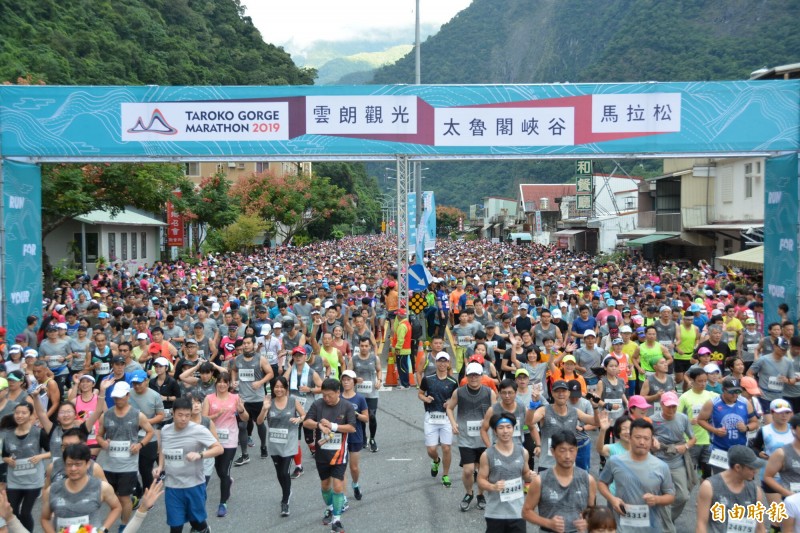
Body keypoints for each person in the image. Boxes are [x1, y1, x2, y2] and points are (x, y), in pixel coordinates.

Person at [154, 397, 223, 533]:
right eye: (180, 415)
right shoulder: (165, 430)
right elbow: (163, 448)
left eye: (187, 415)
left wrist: (200, 455)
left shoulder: (199, 430)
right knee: (175, 527)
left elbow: (219, 448)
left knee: (197, 523)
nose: (184, 419)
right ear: (173, 413)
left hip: (194, 485)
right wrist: (160, 466)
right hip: (173, 487)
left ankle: (204, 529)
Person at [598, 418, 676, 532]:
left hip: (651, 527)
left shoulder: (661, 466)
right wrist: (612, 499)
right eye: (638, 437)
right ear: (630, 438)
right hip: (622, 527)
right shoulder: (615, 461)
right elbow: (601, 483)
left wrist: (657, 499)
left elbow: (670, 496)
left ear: (651, 440)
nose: (642, 442)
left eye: (646, 438)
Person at [96, 381, 154, 533]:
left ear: (128, 396)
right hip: (109, 465)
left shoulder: (137, 415)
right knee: (112, 497)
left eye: (121, 397)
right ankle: (131, 503)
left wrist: (140, 445)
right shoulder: (106, 414)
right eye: (115, 397)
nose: (117, 400)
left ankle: (124, 525)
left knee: (123, 498)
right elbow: (99, 435)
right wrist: (102, 443)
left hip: (128, 465)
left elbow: (150, 432)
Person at [302, 378, 357, 533]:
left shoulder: (346, 406)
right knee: (325, 486)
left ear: (338, 392)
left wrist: (333, 426)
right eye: (324, 395)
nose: (326, 399)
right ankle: (330, 508)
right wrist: (319, 425)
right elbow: (306, 422)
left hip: (339, 454)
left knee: (338, 486)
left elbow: (352, 428)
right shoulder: (318, 404)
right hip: (322, 455)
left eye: (330, 396)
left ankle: (337, 520)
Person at [522, 429, 596, 533]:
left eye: (571, 450)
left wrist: (588, 521)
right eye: (562, 450)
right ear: (553, 451)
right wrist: (548, 523)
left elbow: (592, 510)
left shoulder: (588, 480)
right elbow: (526, 512)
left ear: (577, 450)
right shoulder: (540, 481)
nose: (567, 456)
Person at [446, 361, 496, 512]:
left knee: (483, 470)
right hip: (465, 438)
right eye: (471, 375)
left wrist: (487, 420)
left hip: (484, 437)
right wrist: (453, 423)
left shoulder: (489, 392)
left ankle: (480, 495)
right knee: (468, 470)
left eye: (476, 375)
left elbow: (496, 411)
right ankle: (469, 493)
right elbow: (449, 407)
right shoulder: (459, 392)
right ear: (466, 376)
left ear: (482, 376)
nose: (474, 378)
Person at [40, 442, 121, 533]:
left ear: (87, 464)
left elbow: (116, 507)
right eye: (69, 464)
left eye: (78, 464)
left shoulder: (102, 487)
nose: (73, 469)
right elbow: (45, 519)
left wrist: (103, 529)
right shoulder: (52, 490)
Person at [201, 372, 248, 518]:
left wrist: (241, 410)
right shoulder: (209, 398)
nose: (222, 385)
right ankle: (227, 481)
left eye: (225, 382)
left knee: (224, 470)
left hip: (230, 439)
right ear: (216, 383)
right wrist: (216, 415)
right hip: (213, 440)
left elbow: (245, 418)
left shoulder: (235, 398)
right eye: (219, 382)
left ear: (229, 384)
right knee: (220, 472)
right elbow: (203, 418)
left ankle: (223, 503)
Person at [257, 376, 305, 517]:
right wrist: (264, 409)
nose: (278, 389)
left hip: (289, 442)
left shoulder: (292, 401)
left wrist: (299, 419)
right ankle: (286, 490)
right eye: (276, 387)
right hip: (274, 443)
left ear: (286, 388)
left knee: (285, 472)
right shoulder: (268, 403)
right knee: (279, 473)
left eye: (281, 387)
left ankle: (285, 500)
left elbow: (304, 414)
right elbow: (259, 422)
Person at [478, 412, 534, 533]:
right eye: (501, 427)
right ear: (495, 431)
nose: (505, 431)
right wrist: (492, 486)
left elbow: (525, 474)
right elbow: (481, 480)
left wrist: (531, 476)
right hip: (495, 513)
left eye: (508, 427)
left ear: (514, 429)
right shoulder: (487, 455)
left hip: (518, 512)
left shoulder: (523, 452)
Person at [527, 380, 600, 472]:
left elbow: (596, 422)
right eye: (557, 391)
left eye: (564, 391)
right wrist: (533, 404)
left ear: (568, 393)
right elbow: (529, 422)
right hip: (547, 464)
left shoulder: (574, 412)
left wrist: (596, 408)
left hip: (568, 464)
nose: (561, 394)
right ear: (552, 393)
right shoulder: (544, 410)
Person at [1, 402, 51, 532]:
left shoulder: (38, 433)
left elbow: (53, 451)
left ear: (30, 415)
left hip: (33, 481)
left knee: (25, 513)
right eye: (17, 413)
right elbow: (5, 455)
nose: (19, 415)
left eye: (23, 413)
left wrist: (40, 457)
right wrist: (8, 460)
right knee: (12, 512)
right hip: (14, 480)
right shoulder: (8, 434)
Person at [651, 391, 696, 532]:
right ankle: (667, 527)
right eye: (669, 406)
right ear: (662, 405)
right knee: (663, 495)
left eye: (674, 407)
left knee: (683, 496)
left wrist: (686, 446)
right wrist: (653, 441)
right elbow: (644, 437)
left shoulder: (682, 418)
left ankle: (668, 518)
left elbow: (693, 438)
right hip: (658, 461)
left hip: (677, 461)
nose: (672, 409)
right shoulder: (653, 420)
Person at [695, 445, 767, 533]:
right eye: (751, 468)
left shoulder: (755, 491)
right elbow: (701, 524)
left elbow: (760, 527)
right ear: (738, 467)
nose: (755, 471)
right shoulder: (709, 487)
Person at [697, 377, 758, 474]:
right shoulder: (712, 403)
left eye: (737, 391)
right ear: (723, 390)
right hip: (719, 449)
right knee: (723, 479)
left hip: (740, 449)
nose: (735, 394)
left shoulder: (745, 403)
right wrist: (715, 430)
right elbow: (700, 420)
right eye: (731, 392)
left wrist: (746, 428)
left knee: (741, 478)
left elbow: (755, 422)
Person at [230, 335, 273, 463]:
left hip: (258, 398)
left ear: (254, 344)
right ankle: (244, 454)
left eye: (248, 343)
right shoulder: (237, 359)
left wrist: (260, 382)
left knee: (259, 424)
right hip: (243, 399)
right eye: (244, 343)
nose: (246, 345)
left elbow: (271, 373)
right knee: (242, 426)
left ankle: (263, 446)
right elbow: (233, 370)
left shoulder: (261, 359)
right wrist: (233, 381)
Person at [419, 351, 459, 488]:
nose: (442, 364)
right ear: (436, 362)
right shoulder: (427, 379)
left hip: (446, 418)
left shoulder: (453, 382)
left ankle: (445, 475)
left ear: (448, 364)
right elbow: (420, 393)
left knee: (447, 448)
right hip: (431, 417)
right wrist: (426, 398)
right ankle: (436, 460)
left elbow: (456, 398)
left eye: (445, 361)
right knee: (431, 449)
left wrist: (450, 403)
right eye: (440, 361)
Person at [284, 345, 323, 478]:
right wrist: (289, 368)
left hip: (308, 410)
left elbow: (322, 388)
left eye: (301, 355)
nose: (298, 357)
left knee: (309, 439)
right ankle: (298, 467)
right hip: (292, 410)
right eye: (296, 355)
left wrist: (310, 390)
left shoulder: (312, 373)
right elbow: (282, 382)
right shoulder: (291, 371)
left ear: (306, 357)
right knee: (295, 439)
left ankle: (315, 450)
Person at [678, 367, 718, 480]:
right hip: (691, 441)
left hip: (707, 441)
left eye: (705, 381)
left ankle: (704, 495)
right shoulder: (684, 398)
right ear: (692, 381)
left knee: (707, 475)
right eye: (700, 381)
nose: (703, 384)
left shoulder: (711, 396)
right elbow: (677, 417)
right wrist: (689, 421)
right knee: (690, 475)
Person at [128, 369, 164, 494]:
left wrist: (145, 422)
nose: (137, 386)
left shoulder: (154, 395)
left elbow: (161, 415)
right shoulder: (128, 394)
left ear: (146, 381)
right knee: (130, 468)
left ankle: (148, 493)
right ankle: (137, 491)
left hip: (150, 437)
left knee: (145, 469)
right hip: (131, 437)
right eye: (134, 383)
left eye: (140, 383)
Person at [747, 336, 796, 424]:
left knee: (783, 424)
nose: (784, 351)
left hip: (779, 398)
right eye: (782, 349)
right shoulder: (763, 360)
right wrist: (756, 388)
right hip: (764, 397)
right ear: (775, 346)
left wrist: (787, 380)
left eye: (785, 349)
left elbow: (792, 380)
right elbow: (749, 373)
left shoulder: (788, 362)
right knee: (769, 425)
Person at [339, 370, 368, 502]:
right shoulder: (338, 398)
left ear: (354, 382)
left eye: (349, 380)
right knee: (341, 468)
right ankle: (343, 497)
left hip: (356, 436)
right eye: (344, 380)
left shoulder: (360, 398)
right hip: (340, 437)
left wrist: (355, 414)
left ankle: (355, 484)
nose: (346, 382)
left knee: (354, 467)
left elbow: (366, 418)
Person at [349, 337, 382, 453]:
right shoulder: (354, 359)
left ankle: (372, 438)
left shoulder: (374, 358)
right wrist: (355, 379)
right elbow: (349, 374)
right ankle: (363, 437)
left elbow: (379, 370)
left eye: (366, 346)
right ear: (359, 346)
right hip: (358, 394)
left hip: (372, 393)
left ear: (370, 347)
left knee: (371, 416)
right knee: (360, 417)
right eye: (362, 346)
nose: (364, 348)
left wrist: (379, 380)